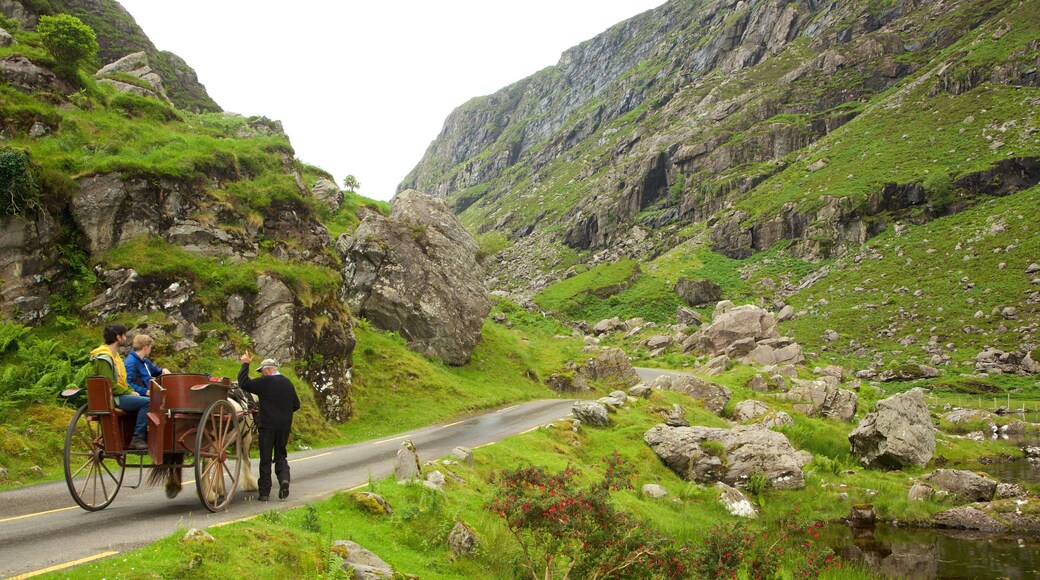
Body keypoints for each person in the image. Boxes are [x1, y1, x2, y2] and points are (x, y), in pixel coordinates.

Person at [238, 350, 300, 501]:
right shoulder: (287, 382)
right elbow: (296, 405)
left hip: (267, 426)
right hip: (284, 427)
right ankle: (284, 479)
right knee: (280, 455)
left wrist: (245, 364)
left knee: (265, 458)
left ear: (267, 370)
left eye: (261, 372)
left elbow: (243, 383)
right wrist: (284, 412)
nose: (261, 375)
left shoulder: (265, 382)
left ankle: (264, 493)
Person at [89, 323, 150, 450]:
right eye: (124, 335)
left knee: (142, 399)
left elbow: (121, 381)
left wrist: (131, 390)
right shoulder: (104, 358)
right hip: (114, 398)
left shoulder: (115, 356)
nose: (126, 338)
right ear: (118, 337)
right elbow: (109, 385)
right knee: (148, 402)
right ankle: (138, 437)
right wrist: (128, 392)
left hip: (117, 395)